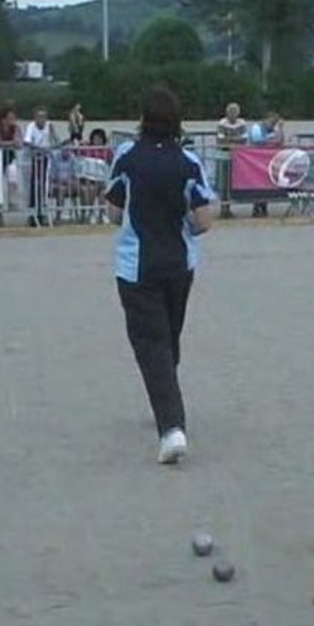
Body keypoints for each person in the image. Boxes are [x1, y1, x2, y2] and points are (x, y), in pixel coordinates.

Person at [104, 85, 215, 465]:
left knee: (151, 345)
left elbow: (114, 213)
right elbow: (202, 221)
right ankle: (167, 398)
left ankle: (171, 426)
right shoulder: (189, 163)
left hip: (136, 266)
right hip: (179, 264)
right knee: (168, 338)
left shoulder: (127, 158)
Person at [23, 106, 59, 227]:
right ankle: (33, 214)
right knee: (33, 187)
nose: (41, 119)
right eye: (39, 117)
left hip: (46, 160)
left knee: (44, 187)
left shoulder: (49, 126)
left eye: (44, 117)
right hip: (33, 159)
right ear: (35, 118)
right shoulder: (31, 127)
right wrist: (39, 149)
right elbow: (27, 142)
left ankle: (43, 213)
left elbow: (56, 141)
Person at [247, 111, 284, 217]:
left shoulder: (273, 129)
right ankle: (256, 208)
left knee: (265, 184)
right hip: (254, 160)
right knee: (256, 184)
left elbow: (280, 142)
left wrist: (280, 129)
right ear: (266, 119)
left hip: (267, 161)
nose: (273, 124)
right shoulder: (256, 128)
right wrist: (273, 140)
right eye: (272, 121)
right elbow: (258, 141)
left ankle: (264, 207)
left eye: (275, 122)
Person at [215, 102, 248, 218]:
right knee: (224, 184)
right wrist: (235, 140)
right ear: (227, 112)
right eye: (231, 112)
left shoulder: (242, 123)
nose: (233, 114)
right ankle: (223, 209)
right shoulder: (222, 123)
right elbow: (220, 140)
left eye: (235, 112)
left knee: (233, 183)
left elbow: (244, 139)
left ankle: (229, 208)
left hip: (238, 158)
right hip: (223, 156)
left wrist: (229, 140)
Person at [0, 104, 24, 217]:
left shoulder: (15, 127)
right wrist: (11, 143)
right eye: (10, 118)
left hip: (9, 158)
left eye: (13, 118)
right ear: (3, 118)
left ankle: (12, 202)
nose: (12, 120)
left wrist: (10, 143)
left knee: (13, 177)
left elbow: (19, 143)